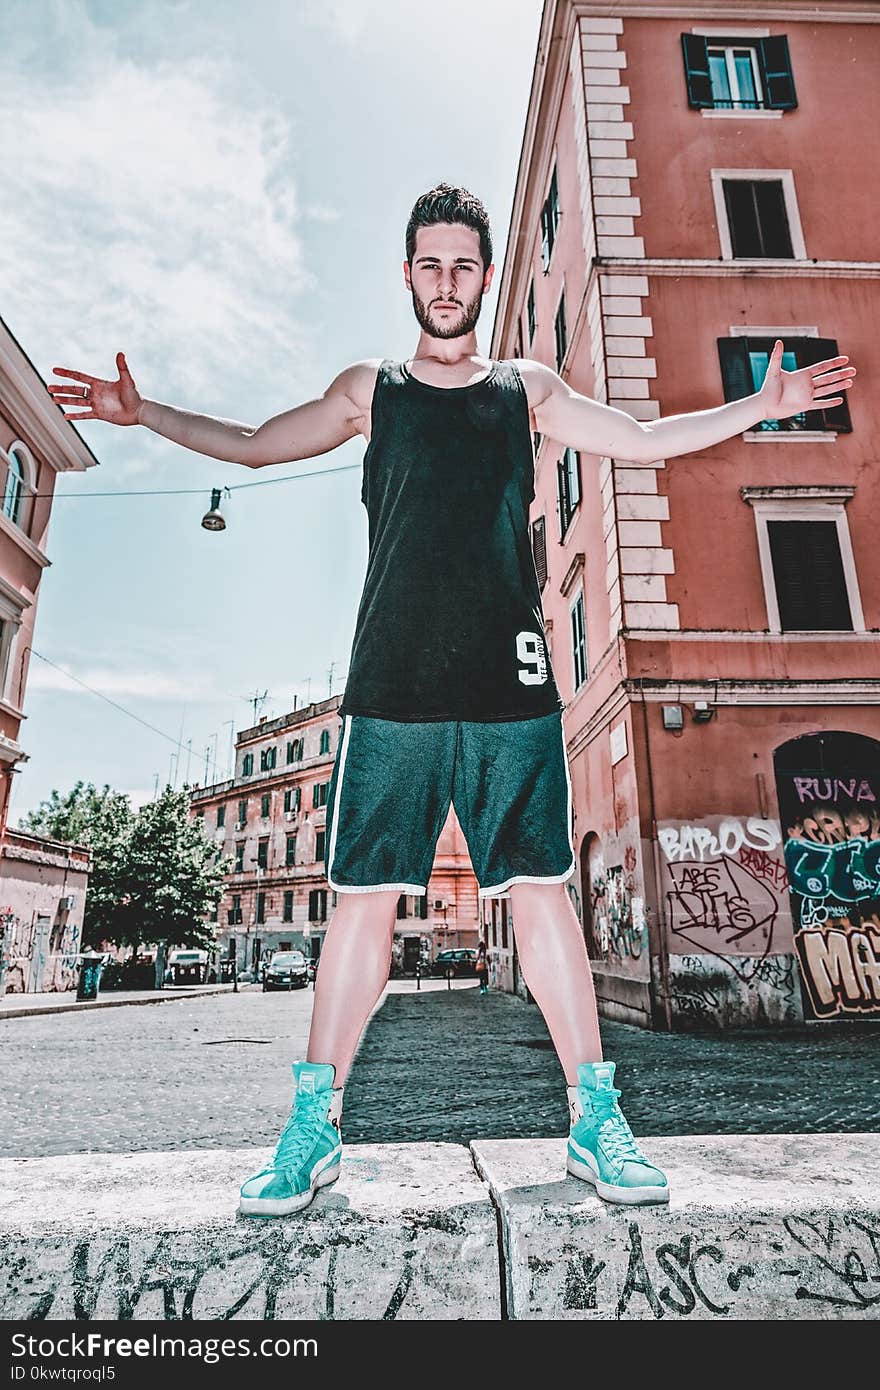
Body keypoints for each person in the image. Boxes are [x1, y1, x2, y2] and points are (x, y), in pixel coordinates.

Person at [48, 183, 855, 1219]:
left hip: (510, 679)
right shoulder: (368, 388)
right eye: (428, 264)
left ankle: (593, 1119)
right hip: (391, 682)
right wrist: (143, 411)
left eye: (464, 265)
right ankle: (314, 1126)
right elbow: (254, 441)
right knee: (362, 907)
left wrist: (759, 407)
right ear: (406, 275)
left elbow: (643, 438)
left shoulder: (528, 387)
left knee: (541, 893)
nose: (446, 281)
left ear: (481, 276)